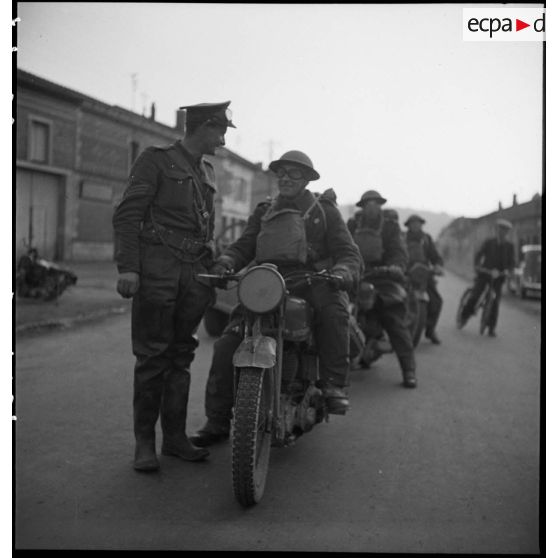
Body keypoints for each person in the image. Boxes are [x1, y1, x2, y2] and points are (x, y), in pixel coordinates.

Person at [191, 150, 362, 447]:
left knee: (334, 313)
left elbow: (348, 252)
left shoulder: (325, 211)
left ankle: (334, 385)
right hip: (267, 281)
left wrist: (343, 271)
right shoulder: (265, 210)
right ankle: (217, 420)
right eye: (281, 172)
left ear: (308, 178)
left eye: (294, 173)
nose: (285, 177)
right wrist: (226, 262)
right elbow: (244, 245)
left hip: (313, 280)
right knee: (228, 342)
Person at [112, 101, 236, 471]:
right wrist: (129, 268)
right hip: (158, 270)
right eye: (220, 130)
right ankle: (144, 444)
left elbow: (206, 227)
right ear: (200, 127)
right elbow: (127, 215)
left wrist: (214, 261)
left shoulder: (207, 172)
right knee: (152, 358)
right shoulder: (155, 160)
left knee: (181, 357)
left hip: (194, 274)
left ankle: (176, 438)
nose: (224, 139)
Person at [347, 190, 417, 388]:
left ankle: (409, 369)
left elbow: (398, 251)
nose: (371, 206)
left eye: (375, 203)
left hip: (383, 278)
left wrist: (395, 266)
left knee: (393, 320)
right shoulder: (352, 224)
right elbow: (342, 245)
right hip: (355, 275)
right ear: (362, 206)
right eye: (367, 203)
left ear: (380, 205)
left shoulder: (390, 226)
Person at [459, 218, 515, 337]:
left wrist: (508, 271)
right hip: (485, 274)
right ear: (496, 230)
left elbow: (512, 263)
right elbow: (479, 254)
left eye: (505, 231)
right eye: (500, 229)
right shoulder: (489, 242)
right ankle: (464, 317)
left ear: (507, 232)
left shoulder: (510, 246)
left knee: (495, 301)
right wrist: (478, 266)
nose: (502, 232)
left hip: (498, 277)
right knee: (475, 295)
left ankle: (491, 328)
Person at [404, 214, 444, 345]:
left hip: (424, 274)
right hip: (406, 274)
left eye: (418, 223)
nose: (415, 225)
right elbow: (395, 253)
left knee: (436, 301)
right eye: (412, 223)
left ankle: (430, 330)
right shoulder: (402, 238)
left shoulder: (427, 239)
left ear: (422, 225)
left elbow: (435, 256)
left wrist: (438, 266)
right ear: (408, 225)